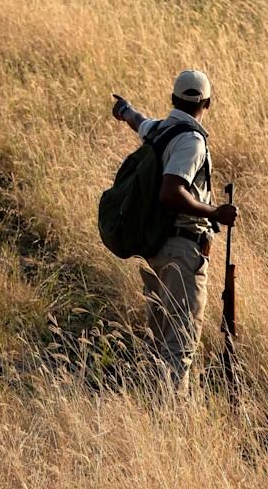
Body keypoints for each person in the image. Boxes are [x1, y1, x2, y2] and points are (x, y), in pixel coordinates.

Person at [110, 70, 238, 396]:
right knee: (179, 343)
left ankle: (154, 415)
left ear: (173, 100)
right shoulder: (192, 142)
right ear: (207, 103)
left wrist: (124, 110)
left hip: (157, 249)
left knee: (160, 339)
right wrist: (215, 212)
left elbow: (139, 121)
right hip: (183, 253)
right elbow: (171, 191)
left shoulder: (161, 130)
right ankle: (171, 422)